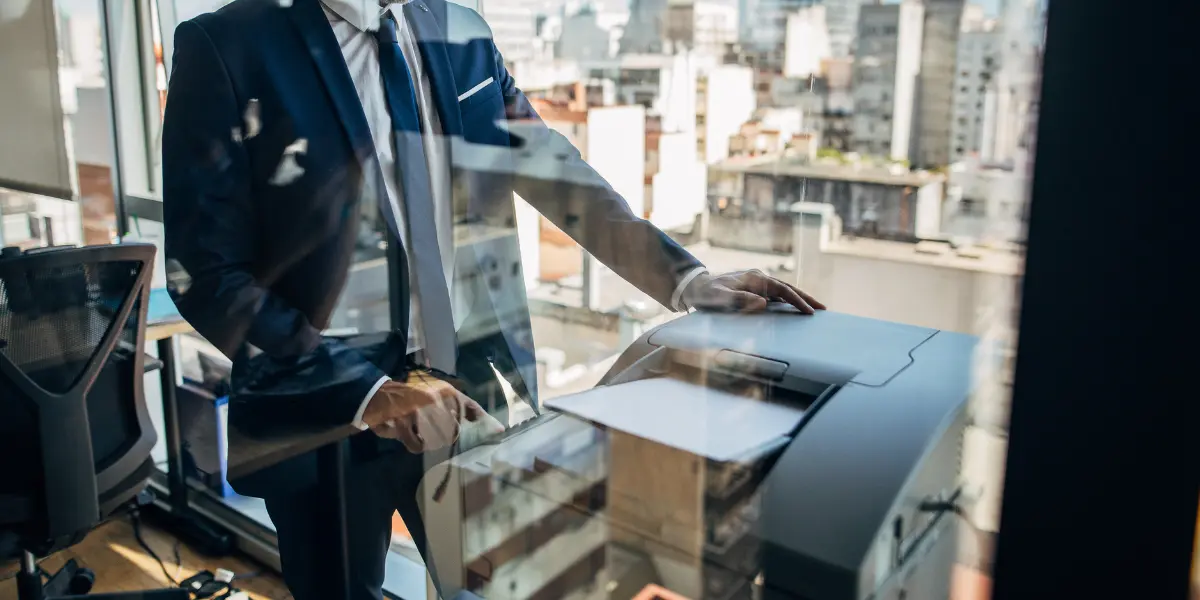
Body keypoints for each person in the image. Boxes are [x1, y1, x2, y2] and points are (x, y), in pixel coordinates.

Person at [162, 0, 824, 598]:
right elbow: (206, 274)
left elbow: (553, 171)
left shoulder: (461, 31)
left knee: (502, 586)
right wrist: (364, 393)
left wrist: (686, 279)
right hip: (327, 408)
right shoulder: (225, 46)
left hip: (475, 386)